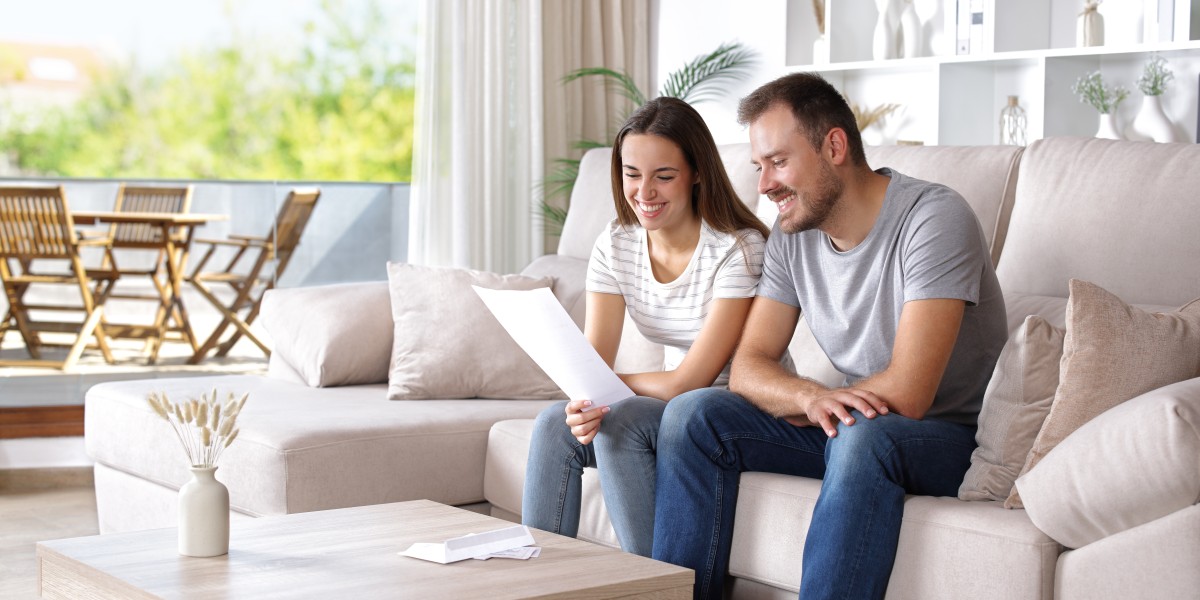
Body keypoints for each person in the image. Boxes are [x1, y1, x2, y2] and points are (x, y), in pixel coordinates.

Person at [650, 73, 1008, 599]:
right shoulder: (793, 237)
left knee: (862, 436)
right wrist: (811, 397)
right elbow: (749, 365)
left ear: (834, 146)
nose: (764, 184)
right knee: (694, 415)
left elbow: (910, 393)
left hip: (948, 438)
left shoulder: (932, 218)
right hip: (851, 422)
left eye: (778, 162)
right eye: (759, 167)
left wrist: (825, 406)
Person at [522, 96, 776, 558]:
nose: (644, 192)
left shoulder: (738, 248)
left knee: (624, 421)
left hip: (728, 409)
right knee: (552, 424)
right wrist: (586, 398)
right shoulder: (616, 243)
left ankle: (654, 587)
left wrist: (605, 387)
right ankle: (537, 584)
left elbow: (690, 381)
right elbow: (592, 362)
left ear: (697, 173)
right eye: (631, 174)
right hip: (664, 407)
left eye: (663, 176)